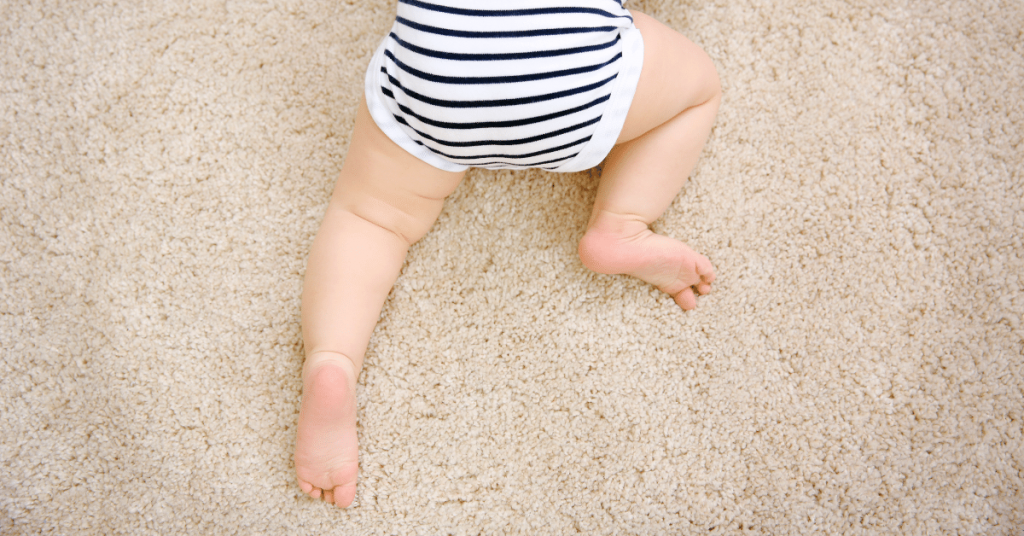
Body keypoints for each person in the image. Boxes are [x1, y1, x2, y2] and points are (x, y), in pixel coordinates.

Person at [295, 0, 721, 508]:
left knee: (371, 218)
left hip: (438, 73)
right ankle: (621, 223)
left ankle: (334, 359)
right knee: (698, 86)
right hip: (577, 78)